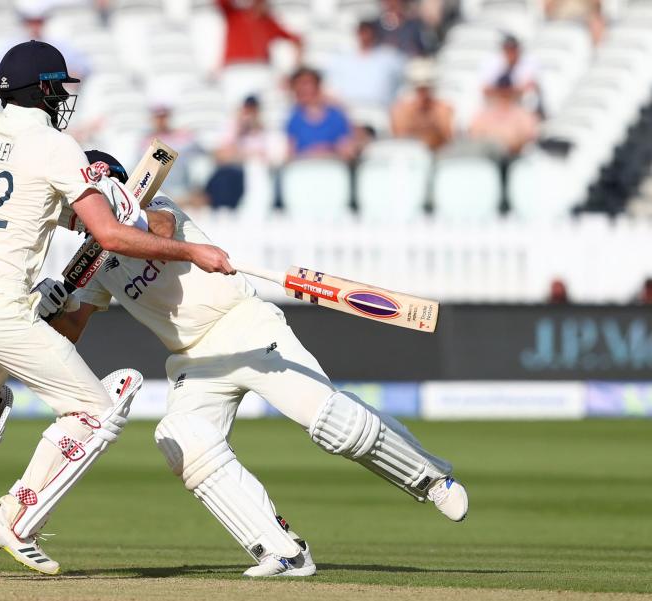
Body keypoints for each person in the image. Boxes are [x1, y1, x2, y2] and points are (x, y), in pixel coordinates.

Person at [0, 41, 234, 580]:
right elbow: (108, 234)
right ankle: (15, 519)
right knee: (95, 410)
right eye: (59, 86)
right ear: (41, 88)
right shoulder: (55, 144)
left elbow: (45, 212)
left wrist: (101, 202)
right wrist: (192, 250)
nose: (64, 96)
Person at [39, 151, 469, 577]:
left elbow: (162, 231)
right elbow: (72, 330)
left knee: (335, 424)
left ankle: (431, 479)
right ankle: (284, 553)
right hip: (194, 360)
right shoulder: (95, 262)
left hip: (246, 327)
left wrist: (127, 218)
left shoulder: (156, 205)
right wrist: (50, 311)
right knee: (181, 438)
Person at [325, 20, 405, 109]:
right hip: (349, 109)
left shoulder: (390, 56)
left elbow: (402, 83)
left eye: (368, 32)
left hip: (379, 109)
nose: (365, 36)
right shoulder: (342, 58)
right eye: (362, 32)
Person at [285, 67, 356, 160]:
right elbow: (290, 154)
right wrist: (310, 153)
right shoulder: (293, 119)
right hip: (304, 168)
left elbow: (348, 150)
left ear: (317, 86)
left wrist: (328, 151)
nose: (302, 88)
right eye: (298, 85)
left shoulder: (336, 116)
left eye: (306, 84)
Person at [469, 75, 539, 158]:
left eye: (507, 92)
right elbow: (475, 134)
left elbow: (530, 135)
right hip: (488, 158)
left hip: (516, 158)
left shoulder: (523, 114)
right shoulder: (483, 114)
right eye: (502, 92)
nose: (504, 95)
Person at [390, 59, 454, 151]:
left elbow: (449, 138)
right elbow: (400, 138)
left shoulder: (443, 109)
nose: (423, 94)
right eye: (419, 89)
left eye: (426, 88)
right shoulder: (400, 111)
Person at [217, 0, 302, 67]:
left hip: (260, 67)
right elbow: (221, 2)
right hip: (235, 66)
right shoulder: (235, 15)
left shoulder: (268, 22)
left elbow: (295, 39)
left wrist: (296, 64)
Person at [481, 35, 541, 116]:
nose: (510, 52)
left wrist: (506, 93)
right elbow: (486, 88)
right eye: (507, 49)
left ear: (518, 49)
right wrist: (504, 93)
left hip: (518, 99)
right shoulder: (494, 62)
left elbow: (527, 87)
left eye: (513, 49)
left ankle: (527, 120)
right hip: (499, 97)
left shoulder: (529, 62)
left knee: (530, 95)